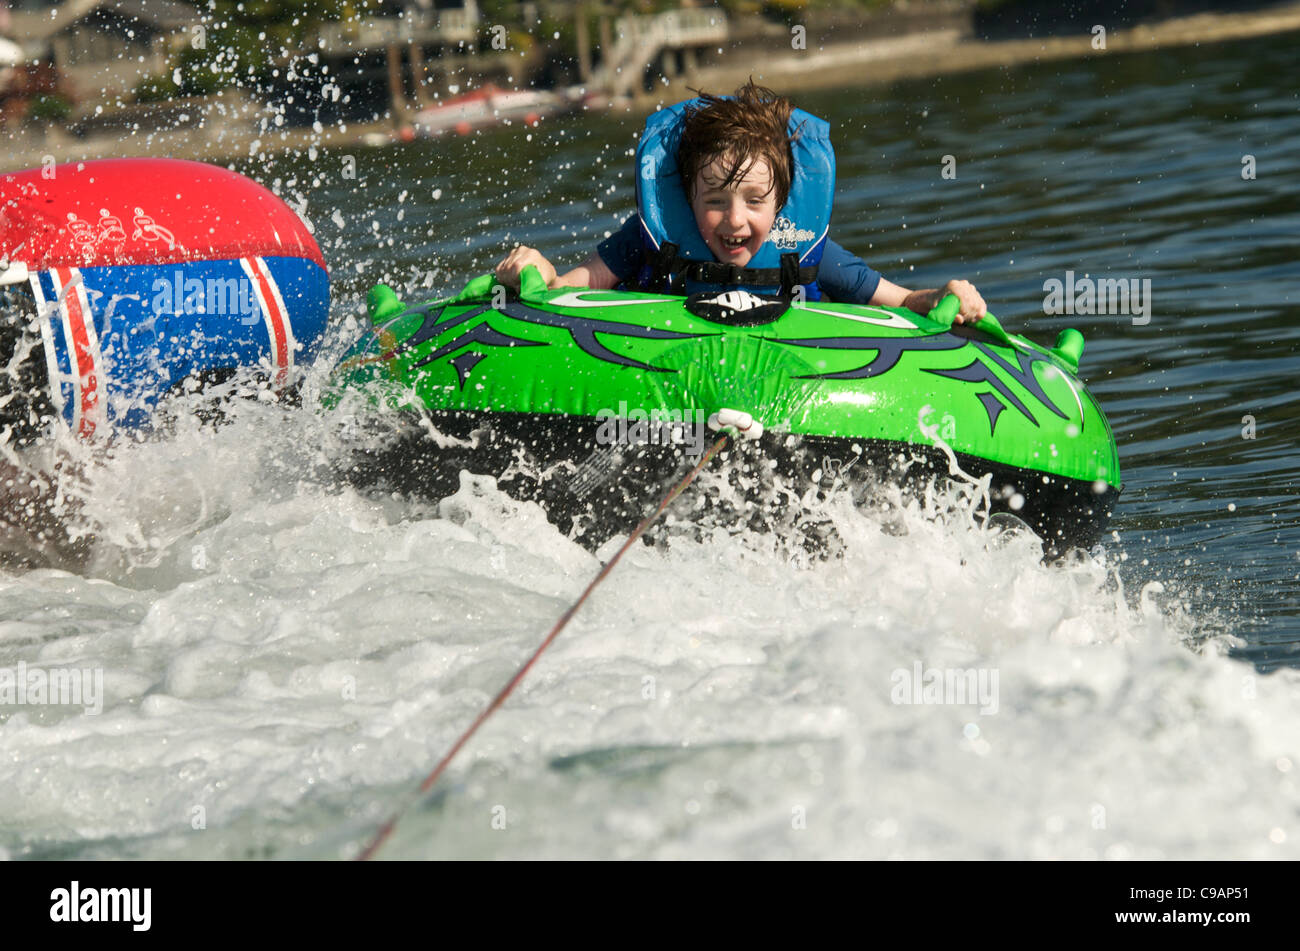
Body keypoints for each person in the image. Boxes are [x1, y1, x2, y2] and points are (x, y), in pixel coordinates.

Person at [495, 80, 987, 324]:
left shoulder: (807, 253)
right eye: (715, 200)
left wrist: (945, 296)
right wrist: (536, 269)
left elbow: (903, 302)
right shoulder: (649, 242)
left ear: (781, 202)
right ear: (687, 196)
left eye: (755, 201)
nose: (734, 220)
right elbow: (564, 289)